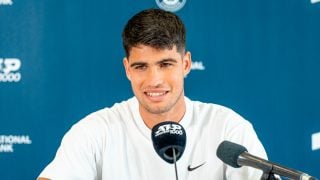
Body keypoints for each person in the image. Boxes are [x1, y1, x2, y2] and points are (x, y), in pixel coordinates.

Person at [38, 8, 267, 180]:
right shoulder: (95, 131)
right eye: (141, 67)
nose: (154, 80)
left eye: (166, 64)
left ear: (186, 64)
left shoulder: (228, 128)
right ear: (127, 69)